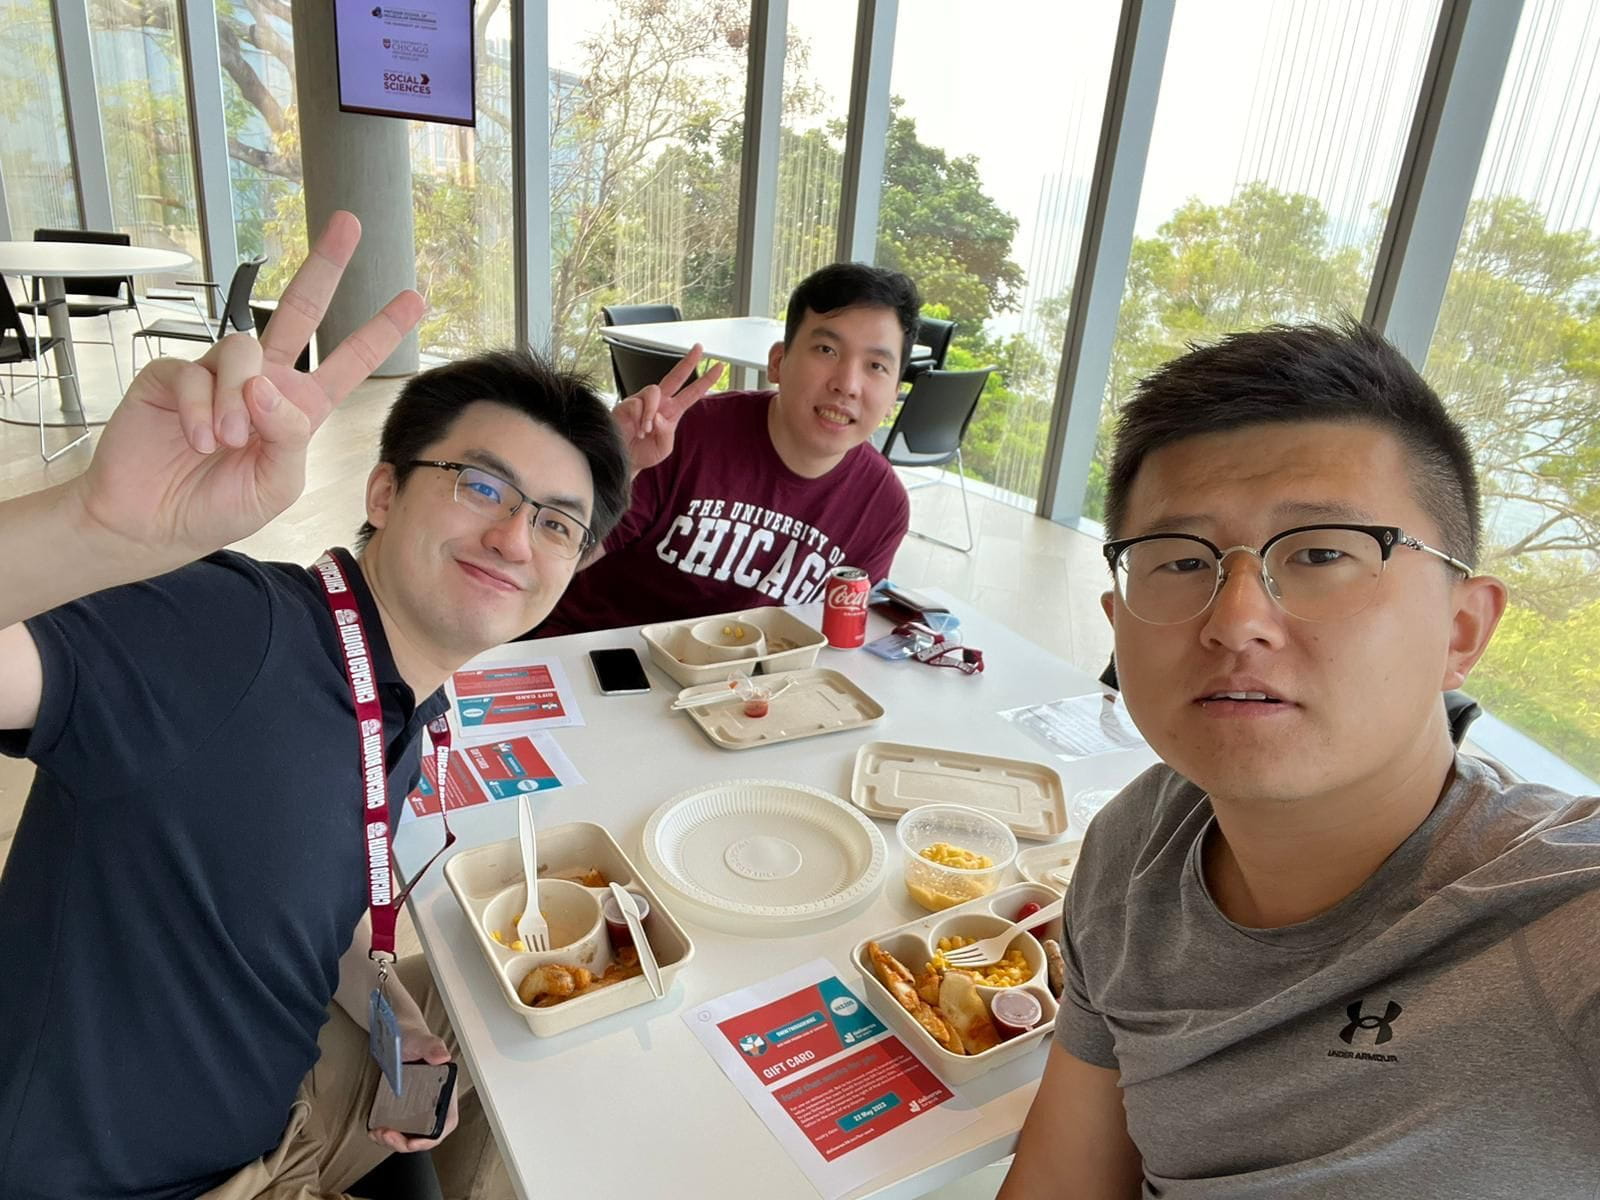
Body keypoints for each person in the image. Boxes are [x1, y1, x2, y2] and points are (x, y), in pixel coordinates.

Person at [0, 213, 631, 1199]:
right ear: (383, 490)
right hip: (130, 1178)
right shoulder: (227, 633)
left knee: (536, 1046)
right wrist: (94, 526)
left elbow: (308, 892)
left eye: (556, 522)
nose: (515, 538)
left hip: (281, 1111)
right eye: (480, 485)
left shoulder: (395, 698)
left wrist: (390, 1008)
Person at [997, 321, 1600, 1198]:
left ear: (1461, 629)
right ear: (1116, 619)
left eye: (1322, 552)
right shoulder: (1133, 849)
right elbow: (1065, 1177)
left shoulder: (1558, 920)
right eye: (1178, 559)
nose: (1235, 616)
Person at [532, 261, 921, 637]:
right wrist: (615, 471)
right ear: (778, 362)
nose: (847, 384)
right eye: (826, 350)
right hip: (595, 655)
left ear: (894, 399)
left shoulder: (881, 505)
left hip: (742, 689)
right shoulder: (681, 436)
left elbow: (838, 638)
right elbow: (549, 563)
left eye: (876, 366)